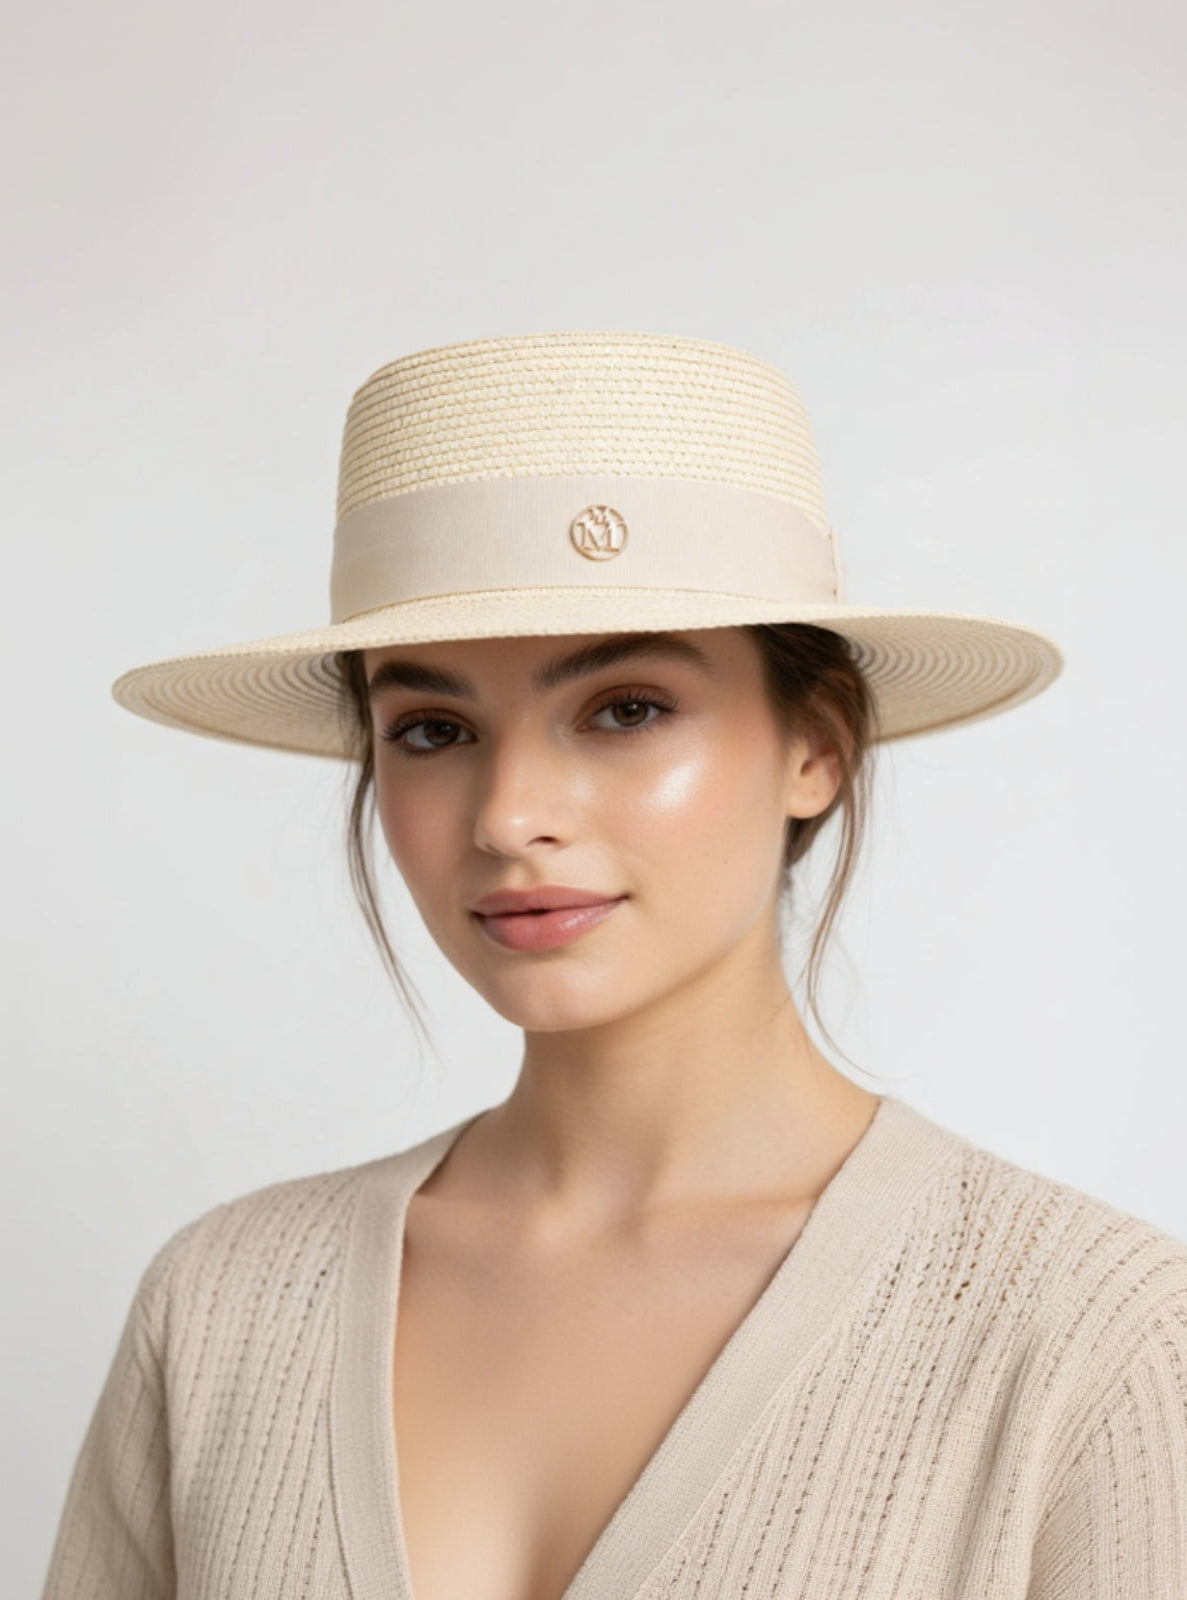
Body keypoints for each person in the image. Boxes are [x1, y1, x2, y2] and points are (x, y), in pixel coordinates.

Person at [41, 332, 1187, 1600]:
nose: (506, 813)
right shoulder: (221, 1311)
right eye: (431, 728)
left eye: (625, 707)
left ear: (817, 745)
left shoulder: (1084, 1336)